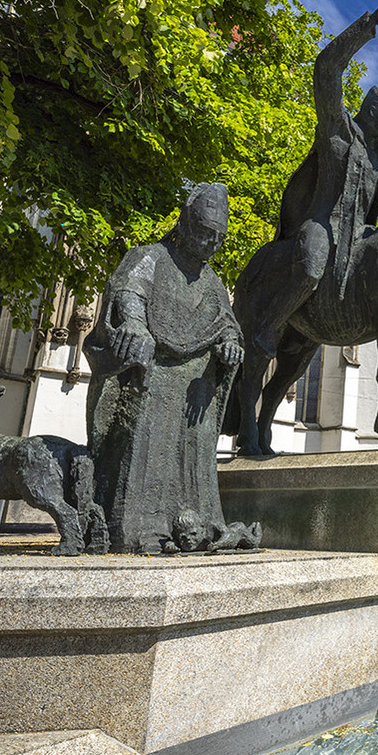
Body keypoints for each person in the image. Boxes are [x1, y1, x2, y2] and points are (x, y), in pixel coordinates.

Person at [84, 182, 251, 554]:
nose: (212, 243)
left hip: (194, 390)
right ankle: (134, 528)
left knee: (194, 439)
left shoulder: (213, 284)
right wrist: (134, 325)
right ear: (186, 225)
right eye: (206, 233)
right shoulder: (150, 257)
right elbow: (128, 292)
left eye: (219, 237)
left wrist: (229, 347)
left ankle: (198, 527)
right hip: (152, 380)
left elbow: (228, 326)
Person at [254, 0, 378, 350]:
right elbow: (326, 68)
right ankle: (268, 325)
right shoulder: (340, 133)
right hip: (325, 227)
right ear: (369, 112)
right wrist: (370, 24)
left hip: (363, 237)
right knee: (309, 268)